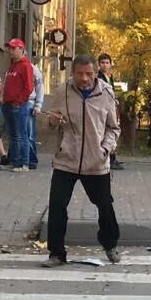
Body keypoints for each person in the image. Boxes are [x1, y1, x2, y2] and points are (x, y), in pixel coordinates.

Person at [42, 55, 122, 267]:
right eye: (80, 74)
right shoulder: (63, 91)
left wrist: (105, 149)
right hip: (66, 159)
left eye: (89, 74)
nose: (84, 78)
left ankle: (110, 244)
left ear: (95, 73)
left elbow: (113, 128)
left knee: (104, 205)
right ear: (73, 73)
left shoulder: (106, 93)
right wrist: (51, 120)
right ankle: (56, 253)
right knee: (57, 205)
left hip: (96, 162)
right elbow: (47, 121)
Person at [2, 38, 35, 173]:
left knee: (21, 134)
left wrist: (18, 101)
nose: (10, 51)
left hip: (19, 105)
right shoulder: (13, 65)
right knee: (13, 135)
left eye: (13, 48)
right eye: (9, 48)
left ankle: (24, 163)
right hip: (9, 104)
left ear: (21, 49)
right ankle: (15, 161)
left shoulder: (25, 65)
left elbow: (29, 87)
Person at [96, 52, 125, 170]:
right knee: (105, 132)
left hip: (111, 107)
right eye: (102, 63)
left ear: (110, 64)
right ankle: (109, 158)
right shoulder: (98, 77)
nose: (105, 65)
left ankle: (113, 157)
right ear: (99, 64)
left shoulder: (110, 77)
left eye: (107, 63)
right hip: (103, 108)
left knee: (113, 129)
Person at [27, 62, 45, 170]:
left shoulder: (33, 69)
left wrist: (38, 105)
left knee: (29, 134)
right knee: (15, 134)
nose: (11, 52)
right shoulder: (12, 68)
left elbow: (39, 86)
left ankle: (31, 160)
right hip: (14, 104)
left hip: (29, 103)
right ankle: (16, 158)